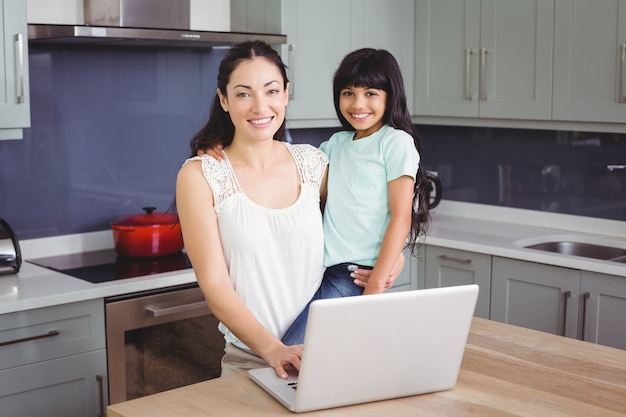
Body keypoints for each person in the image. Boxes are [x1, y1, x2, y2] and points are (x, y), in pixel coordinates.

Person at [176, 41, 398, 380]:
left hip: (328, 353)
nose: (260, 106)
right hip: (251, 362)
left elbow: (368, 221)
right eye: (243, 94)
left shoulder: (314, 164)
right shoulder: (200, 176)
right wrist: (274, 350)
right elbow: (216, 287)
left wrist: (393, 260)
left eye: (271, 91)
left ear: (286, 94)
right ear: (224, 100)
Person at [280, 48, 431, 345]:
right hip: (318, 270)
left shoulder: (395, 142)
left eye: (371, 93)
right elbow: (292, 172)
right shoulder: (335, 144)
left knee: (288, 354)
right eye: (348, 92)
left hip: (354, 277)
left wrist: (374, 287)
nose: (358, 103)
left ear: (390, 96)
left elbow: (401, 219)